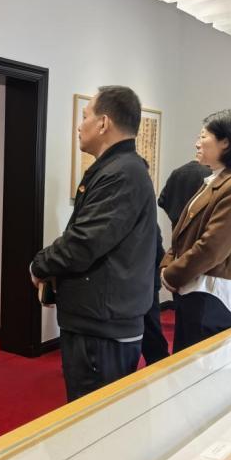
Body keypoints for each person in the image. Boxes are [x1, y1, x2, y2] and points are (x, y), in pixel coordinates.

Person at [31, 85, 156, 402]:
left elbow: (84, 243)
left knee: (94, 413)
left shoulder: (122, 173)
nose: (79, 126)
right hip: (99, 317)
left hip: (102, 325)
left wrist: (39, 265)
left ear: (103, 123)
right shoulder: (118, 169)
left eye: (84, 116)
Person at [161, 109, 231, 352]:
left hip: (212, 294)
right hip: (198, 287)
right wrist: (168, 263)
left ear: (226, 142)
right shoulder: (219, 178)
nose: (197, 143)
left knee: (199, 364)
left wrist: (171, 274)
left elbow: (212, 247)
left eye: (203, 136)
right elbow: (185, 231)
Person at [141, 226, 171, 365]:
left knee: (151, 333)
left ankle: (160, 367)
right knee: (151, 331)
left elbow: (158, 251)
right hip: (147, 281)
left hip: (147, 283)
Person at [158, 159, 211, 227]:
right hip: (200, 227)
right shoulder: (210, 174)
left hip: (177, 227)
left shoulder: (176, 172)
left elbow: (161, 201)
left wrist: (174, 217)